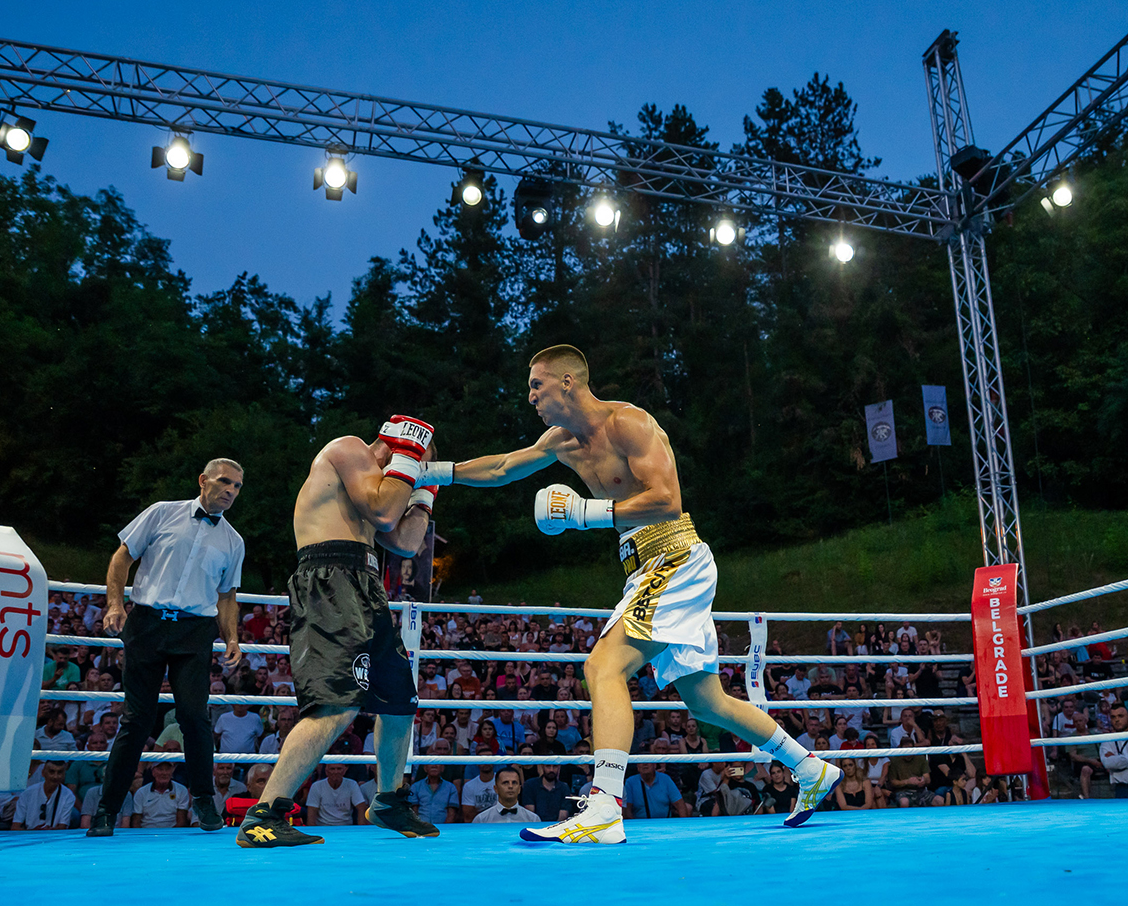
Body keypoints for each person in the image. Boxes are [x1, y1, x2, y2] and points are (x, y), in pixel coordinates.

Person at [420, 347, 841, 843]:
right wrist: (433, 473)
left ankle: (604, 807)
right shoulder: (561, 440)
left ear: (568, 382)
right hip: (644, 566)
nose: (530, 396)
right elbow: (504, 467)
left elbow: (668, 499)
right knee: (706, 702)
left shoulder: (629, 423)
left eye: (537, 385)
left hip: (674, 556)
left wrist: (585, 514)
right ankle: (810, 767)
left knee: (603, 667)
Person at [235, 419, 439, 848]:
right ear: (397, 447)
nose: (411, 477)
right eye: (413, 465)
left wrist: (424, 497)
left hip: (367, 584)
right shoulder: (349, 449)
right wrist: (408, 461)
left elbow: (405, 543)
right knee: (336, 703)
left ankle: (388, 801)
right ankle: (263, 815)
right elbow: (385, 513)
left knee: (400, 702)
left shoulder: (375, 487)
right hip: (328, 577)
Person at [89, 459, 248, 838]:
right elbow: (122, 556)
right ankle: (107, 810)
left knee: (194, 716)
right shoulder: (162, 512)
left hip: (195, 631)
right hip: (147, 623)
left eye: (238, 486)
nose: (231, 490)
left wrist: (232, 637)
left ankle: (204, 800)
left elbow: (227, 596)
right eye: (225, 481)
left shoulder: (233, 541)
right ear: (203, 480)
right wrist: (115, 604)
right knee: (136, 719)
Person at [11, 760, 76, 831]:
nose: (55, 776)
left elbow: (62, 828)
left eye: (59, 772)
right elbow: (15, 827)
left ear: (64, 774)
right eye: (51, 772)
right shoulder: (27, 793)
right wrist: (33, 831)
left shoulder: (68, 796)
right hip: (30, 835)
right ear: (43, 773)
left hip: (53, 836)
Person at [472, 769, 539, 823]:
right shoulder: (481, 820)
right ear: (496, 789)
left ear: (519, 789)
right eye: (505, 783)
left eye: (514, 783)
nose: (510, 786)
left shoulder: (533, 819)